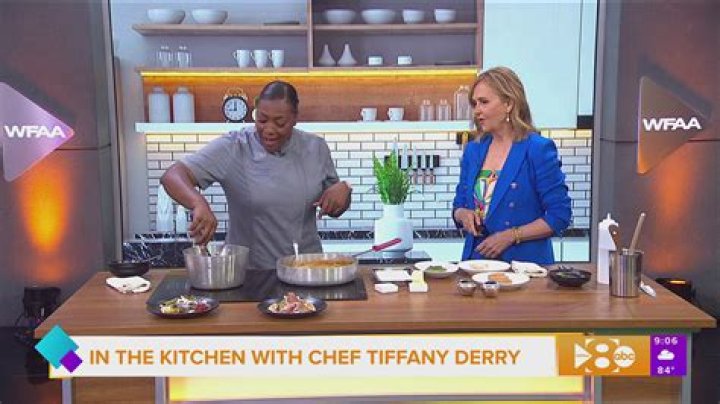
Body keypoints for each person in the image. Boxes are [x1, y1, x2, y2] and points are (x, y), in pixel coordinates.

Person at [160, 80, 352, 269]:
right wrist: (197, 203)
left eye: (280, 122)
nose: (269, 129)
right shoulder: (234, 147)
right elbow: (173, 176)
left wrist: (344, 191)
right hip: (250, 274)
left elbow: (334, 207)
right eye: (262, 120)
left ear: (295, 118)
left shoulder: (316, 148)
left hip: (306, 271)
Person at [452, 67, 571, 264]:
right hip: (477, 264)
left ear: (508, 104)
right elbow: (459, 205)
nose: (477, 110)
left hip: (524, 267)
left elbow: (559, 215)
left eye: (484, 102)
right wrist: (463, 215)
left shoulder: (537, 149)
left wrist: (510, 236)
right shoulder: (473, 150)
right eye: (475, 103)